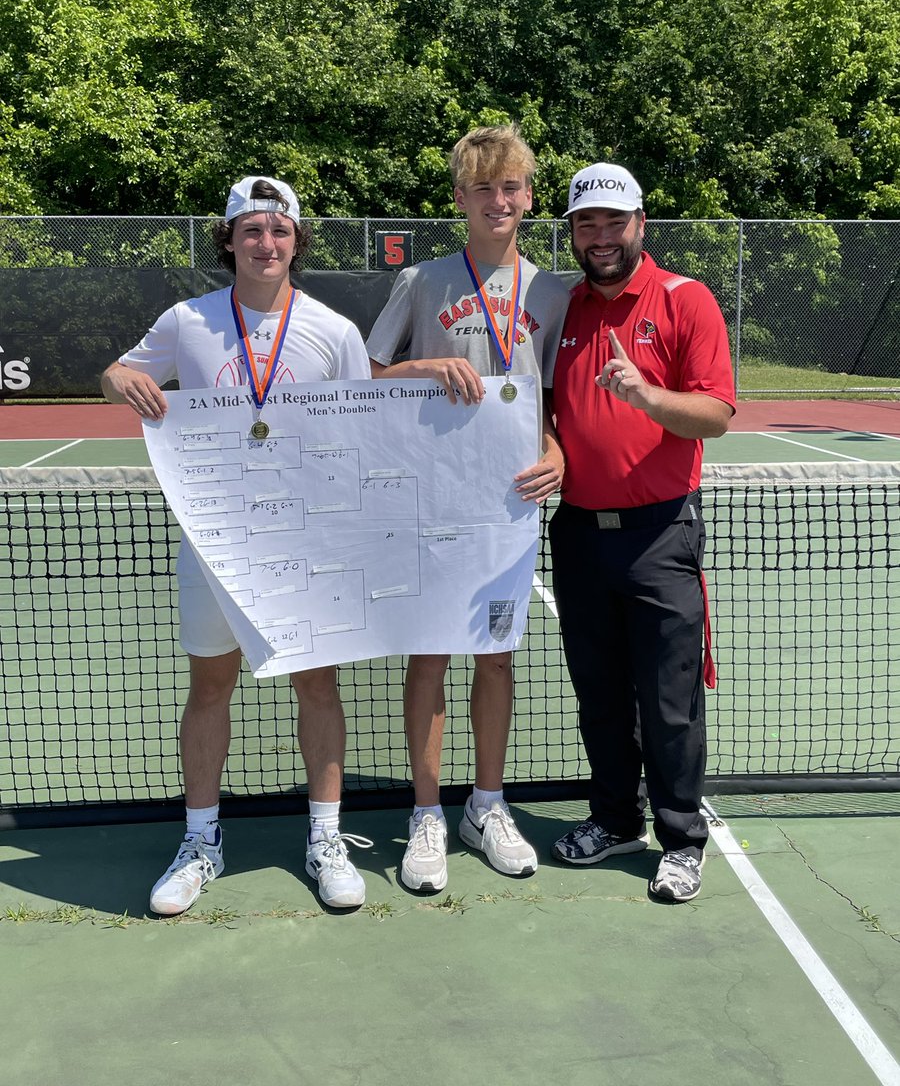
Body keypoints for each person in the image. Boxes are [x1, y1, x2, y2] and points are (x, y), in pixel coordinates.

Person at [101, 175, 373, 913]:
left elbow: (358, 434)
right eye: (251, 231)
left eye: (279, 231)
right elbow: (117, 371)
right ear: (229, 241)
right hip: (214, 544)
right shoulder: (186, 321)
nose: (266, 244)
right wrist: (126, 380)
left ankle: (325, 836)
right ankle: (200, 841)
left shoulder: (334, 331)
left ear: (296, 241)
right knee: (210, 688)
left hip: (305, 548)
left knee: (317, 686)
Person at [366, 125, 570, 892]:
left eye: (511, 186)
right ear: (459, 198)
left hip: (510, 509)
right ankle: (426, 813)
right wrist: (425, 363)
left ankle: (487, 805)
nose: (498, 199)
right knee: (429, 653)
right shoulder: (422, 282)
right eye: (482, 187)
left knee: (496, 655)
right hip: (429, 499)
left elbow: (557, 402)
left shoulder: (552, 293)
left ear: (527, 197)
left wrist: (559, 454)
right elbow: (370, 375)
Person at [548, 161, 735, 902]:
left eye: (612, 222)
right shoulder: (561, 309)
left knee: (667, 699)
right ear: (572, 232)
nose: (599, 237)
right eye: (584, 224)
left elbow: (716, 414)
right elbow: (547, 417)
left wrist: (646, 395)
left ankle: (682, 837)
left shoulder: (686, 301)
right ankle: (615, 819)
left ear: (640, 224)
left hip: (660, 535)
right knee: (599, 694)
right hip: (578, 534)